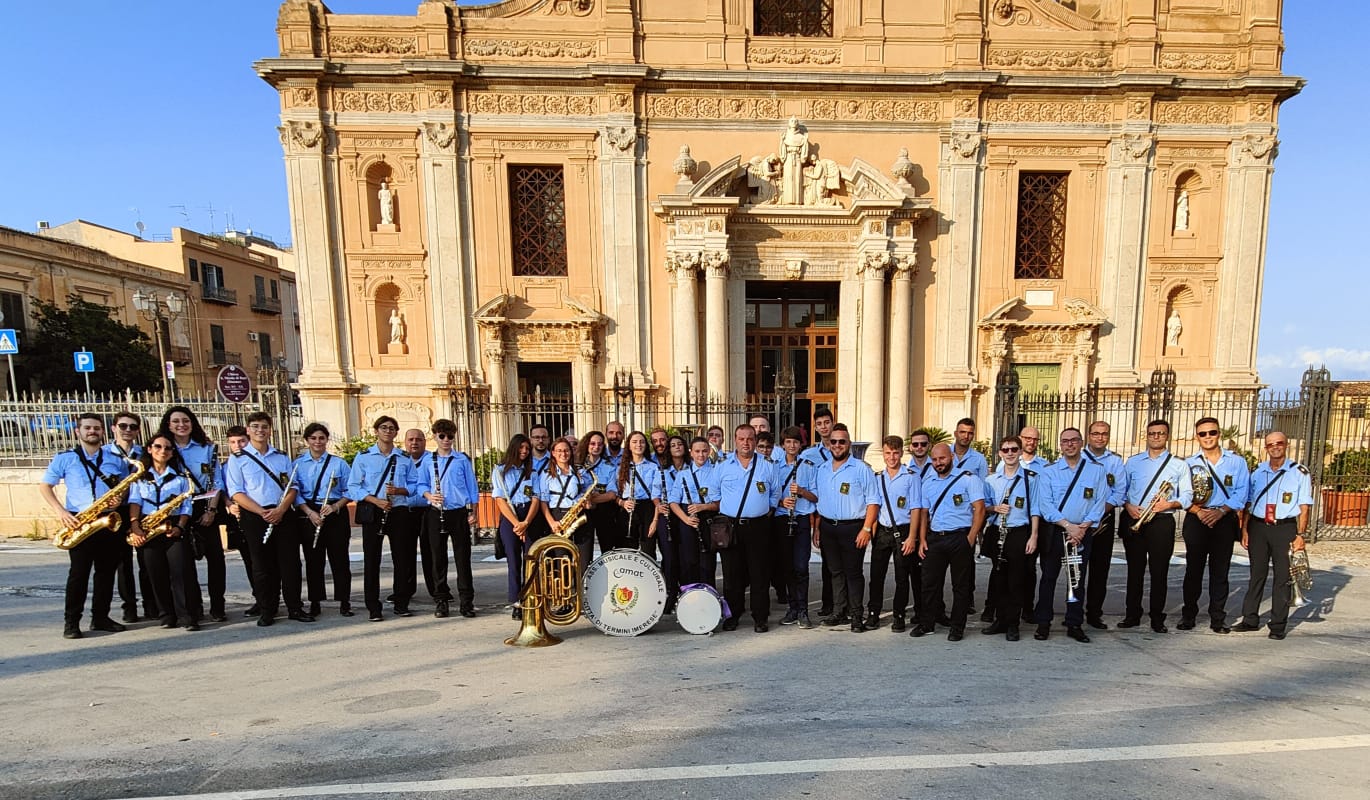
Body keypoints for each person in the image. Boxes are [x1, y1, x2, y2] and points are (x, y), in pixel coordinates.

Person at [40, 413, 132, 639]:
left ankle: (100, 617)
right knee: (79, 574)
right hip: (79, 519)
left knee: (106, 572)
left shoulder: (114, 459)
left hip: (107, 519)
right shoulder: (65, 458)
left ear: (103, 431)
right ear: (77, 431)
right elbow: (45, 487)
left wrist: (119, 499)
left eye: (97, 428)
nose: (92, 431)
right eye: (88, 428)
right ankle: (71, 622)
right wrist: (61, 512)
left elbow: (124, 487)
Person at [227, 412, 310, 627]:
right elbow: (236, 493)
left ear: (270, 429)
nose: (260, 430)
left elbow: (292, 486)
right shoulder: (238, 460)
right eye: (255, 426)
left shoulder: (281, 457)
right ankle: (267, 610)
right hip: (256, 516)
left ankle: (294, 607)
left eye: (264, 426)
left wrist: (281, 510)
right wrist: (262, 512)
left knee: (290, 564)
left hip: (283, 514)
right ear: (248, 430)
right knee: (262, 566)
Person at [1234, 431, 1312, 640]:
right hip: (1258, 528)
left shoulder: (1299, 472)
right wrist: (1244, 530)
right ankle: (1250, 619)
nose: (1275, 447)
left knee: (1283, 578)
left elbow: (1304, 507)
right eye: (1270, 444)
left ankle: (1277, 625)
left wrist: (1300, 535)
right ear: (1266, 448)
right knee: (1256, 575)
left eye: (1279, 443)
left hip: (1284, 528)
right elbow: (1248, 505)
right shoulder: (1258, 473)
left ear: (1286, 445)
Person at [701, 424, 778, 632]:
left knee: (759, 574)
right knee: (732, 574)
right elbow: (714, 493)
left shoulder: (767, 465)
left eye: (750, 439)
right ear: (735, 440)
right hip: (731, 526)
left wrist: (762, 511)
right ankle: (733, 615)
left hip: (758, 526)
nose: (746, 443)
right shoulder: (723, 466)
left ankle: (760, 618)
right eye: (742, 439)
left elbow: (775, 495)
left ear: (755, 440)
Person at [1120, 419, 1193, 633]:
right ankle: (1132, 614)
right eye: (1152, 433)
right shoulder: (1133, 462)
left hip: (1161, 520)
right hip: (1135, 516)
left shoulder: (1179, 464)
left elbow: (1187, 495)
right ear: (1147, 436)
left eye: (1161, 433)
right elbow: (1122, 490)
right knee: (1134, 570)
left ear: (1167, 436)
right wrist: (1128, 506)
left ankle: (1157, 618)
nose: (1156, 436)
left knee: (1159, 572)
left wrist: (1169, 504)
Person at [1036, 428, 1109, 643]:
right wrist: (1069, 526)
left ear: (1081, 443)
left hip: (1082, 533)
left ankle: (1074, 622)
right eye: (1065, 441)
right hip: (1056, 532)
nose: (1069, 444)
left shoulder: (1096, 471)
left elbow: (1099, 502)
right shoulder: (1049, 471)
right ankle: (1043, 622)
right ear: (1060, 445)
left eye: (1074, 440)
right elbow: (1045, 504)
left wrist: (1083, 528)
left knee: (1076, 580)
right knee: (1048, 578)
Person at [1180, 417, 1250, 634]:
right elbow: (1181, 494)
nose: (1208, 437)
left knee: (1220, 571)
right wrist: (1199, 511)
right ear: (1197, 437)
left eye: (1212, 432)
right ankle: (1188, 615)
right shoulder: (1189, 463)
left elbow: (1242, 492)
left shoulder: (1236, 462)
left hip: (1224, 518)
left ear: (1219, 434)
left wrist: (1221, 511)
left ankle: (1218, 618)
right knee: (1193, 570)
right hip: (1197, 518)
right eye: (1203, 434)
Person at [157, 406, 226, 623]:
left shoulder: (206, 448)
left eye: (185, 420)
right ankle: (192, 608)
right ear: (168, 425)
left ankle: (218, 606)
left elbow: (217, 481)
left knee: (216, 559)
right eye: (176, 421)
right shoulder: (164, 448)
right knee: (183, 562)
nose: (181, 425)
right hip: (176, 509)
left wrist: (212, 510)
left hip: (205, 505)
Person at [911, 443, 985, 641]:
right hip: (935, 539)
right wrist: (922, 540)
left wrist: (971, 538)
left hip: (959, 537)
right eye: (934, 460)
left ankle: (957, 627)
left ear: (951, 456)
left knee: (960, 586)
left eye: (942, 459)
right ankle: (927, 623)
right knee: (929, 584)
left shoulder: (968, 479)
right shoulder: (928, 483)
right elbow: (924, 514)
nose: (938, 463)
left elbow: (979, 509)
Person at [811, 424, 879, 633]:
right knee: (835, 572)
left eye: (842, 441)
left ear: (849, 444)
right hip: (829, 527)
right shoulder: (822, 470)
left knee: (853, 573)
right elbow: (819, 502)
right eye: (834, 441)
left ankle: (856, 615)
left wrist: (866, 529)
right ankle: (839, 611)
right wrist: (818, 528)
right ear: (829, 444)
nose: (838, 445)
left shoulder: (861, 469)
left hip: (853, 528)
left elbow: (873, 501)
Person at [126, 433, 197, 631]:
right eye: (158, 447)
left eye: (167, 448)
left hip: (173, 525)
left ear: (172, 452)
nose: (162, 451)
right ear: (149, 449)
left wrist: (179, 526)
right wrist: (135, 526)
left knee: (180, 573)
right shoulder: (139, 478)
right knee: (155, 573)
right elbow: (135, 502)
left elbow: (186, 506)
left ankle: (187, 616)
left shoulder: (181, 478)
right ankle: (166, 615)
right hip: (148, 526)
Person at [347, 416, 414, 622]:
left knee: (402, 559)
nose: (387, 431)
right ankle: (373, 606)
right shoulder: (364, 456)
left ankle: (401, 602)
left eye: (392, 428)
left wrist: (399, 490)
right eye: (383, 428)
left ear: (396, 433)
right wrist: (375, 501)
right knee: (372, 560)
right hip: (374, 510)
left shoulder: (404, 458)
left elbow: (415, 485)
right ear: (376, 431)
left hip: (398, 510)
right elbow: (353, 486)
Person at [417, 418, 479, 618]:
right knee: (438, 558)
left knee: (463, 558)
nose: (446, 440)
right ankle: (441, 600)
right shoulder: (428, 460)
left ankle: (466, 601)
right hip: (436, 512)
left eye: (450, 436)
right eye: (442, 436)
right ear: (435, 436)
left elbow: (472, 488)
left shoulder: (461, 459)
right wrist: (429, 496)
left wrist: (473, 511)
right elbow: (420, 485)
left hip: (458, 512)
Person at [980, 435, 1040, 641]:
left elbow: (1036, 510)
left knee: (1016, 579)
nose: (1010, 453)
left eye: (1014, 449)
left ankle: (1013, 623)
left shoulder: (1030, 479)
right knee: (999, 578)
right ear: (1000, 453)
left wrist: (1033, 536)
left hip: (1019, 532)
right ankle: (1000, 620)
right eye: (1005, 450)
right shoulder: (991, 480)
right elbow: (983, 507)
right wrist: (994, 507)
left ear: (1020, 451)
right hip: (998, 531)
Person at [293, 423, 353, 618]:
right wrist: (309, 512)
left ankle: (344, 601)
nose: (317, 442)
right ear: (307, 440)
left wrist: (336, 507)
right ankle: (315, 601)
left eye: (321, 438)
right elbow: (295, 492)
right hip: (309, 513)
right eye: (313, 438)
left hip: (334, 512)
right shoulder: (298, 464)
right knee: (313, 560)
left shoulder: (339, 463)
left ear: (327, 440)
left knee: (340, 559)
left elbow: (350, 490)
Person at [867, 435, 925, 633]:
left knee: (902, 576)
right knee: (876, 575)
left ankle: (899, 615)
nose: (892, 457)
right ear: (883, 454)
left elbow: (917, 508)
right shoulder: (878, 478)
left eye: (895, 453)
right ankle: (873, 613)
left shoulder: (911, 477)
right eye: (888, 453)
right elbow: (874, 507)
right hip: (882, 532)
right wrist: (871, 534)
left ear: (901, 453)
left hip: (904, 531)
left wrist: (912, 537)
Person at [107, 411, 152, 623]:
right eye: (123, 426)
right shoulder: (105, 453)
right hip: (116, 511)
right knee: (122, 562)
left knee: (146, 559)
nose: (127, 430)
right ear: (114, 427)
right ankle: (129, 607)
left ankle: (151, 604)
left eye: (132, 427)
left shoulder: (144, 453)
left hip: (141, 509)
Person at [1081, 420, 1125, 630]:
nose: (1100, 437)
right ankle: (1074, 612)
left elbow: (1119, 491)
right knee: (1076, 570)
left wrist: (1098, 513)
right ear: (1088, 435)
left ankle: (1094, 614)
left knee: (1100, 570)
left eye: (1104, 434)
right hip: (1078, 521)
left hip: (1104, 519)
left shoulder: (1115, 461)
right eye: (1096, 433)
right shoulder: (1077, 457)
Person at [491, 433, 540, 618]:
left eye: (527, 449)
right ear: (514, 448)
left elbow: (536, 498)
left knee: (530, 560)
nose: (525, 451)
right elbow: (500, 501)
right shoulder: (499, 471)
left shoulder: (532, 472)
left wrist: (526, 522)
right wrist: (517, 524)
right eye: (521, 448)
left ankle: (530, 598)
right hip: (510, 517)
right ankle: (517, 601)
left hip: (528, 515)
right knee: (514, 561)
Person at [772, 427, 817, 628]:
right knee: (787, 567)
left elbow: (816, 497)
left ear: (801, 445)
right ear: (783, 445)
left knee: (801, 567)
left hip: (801, 519)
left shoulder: (808, 466)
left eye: (796, 442)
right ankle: (792, 608)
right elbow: (770, 495)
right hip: (782, 519)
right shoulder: (774, 466)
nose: (792, 446)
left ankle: (803, 610)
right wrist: (782, 503)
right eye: (788, 442)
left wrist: (801, 491)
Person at [539, 436, 595, 577]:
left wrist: (588, 502)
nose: (563, 454)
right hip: (557, 517)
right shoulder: (546, 475)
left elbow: (587, 494)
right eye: (559, 451)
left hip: (578, 514)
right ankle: (563, 596)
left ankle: (581, 595)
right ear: (552, 452)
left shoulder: (580, 472)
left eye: (566, 450)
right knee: (561, 559)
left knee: (584, 559)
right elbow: (543, 501)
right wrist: (552, 522)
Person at [801, 407, 836, 615]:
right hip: (819, 512)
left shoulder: (843, 447)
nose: (824, 427)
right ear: (815, 427)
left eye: (827, 422)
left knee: (842, 564)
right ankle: (828, 604)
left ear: (832, 423)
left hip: (840, 510)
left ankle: (846, 603)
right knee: (827, 564)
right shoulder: (809, 455)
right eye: (819, 424)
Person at [670, 436, 717, 588]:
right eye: (697, 451)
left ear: (709, 451)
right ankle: (690, 596)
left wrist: (703, 507)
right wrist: (685, 519)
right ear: (691, 453)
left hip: (708, 517)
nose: (701, 455)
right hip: (688, 519)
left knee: (707, 560)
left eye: (704, 451)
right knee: (688, 560)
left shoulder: (716, 472)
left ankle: (708, 594)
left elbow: (720, 504)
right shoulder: (683, 473)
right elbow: (673, 502)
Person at [222, 425, 257, 614]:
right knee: (249, 560)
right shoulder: (226, 465)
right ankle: (258, 596)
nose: (238, 445)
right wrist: (229, 504)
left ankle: (269, 596)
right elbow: (222, 489)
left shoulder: (254, 459)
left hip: (255, 512)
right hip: (236, 517)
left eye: (242, 441)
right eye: (233, 442)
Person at [616, 431, 662, 559]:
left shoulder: (653, 467)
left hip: (647, 508)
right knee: (627, 550)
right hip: (627, 507)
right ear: (629, 446)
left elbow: (657, 496)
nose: (639, 445)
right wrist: (622, 503)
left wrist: (655, 520)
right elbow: (614, 494)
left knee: (648, 549)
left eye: (642, 442)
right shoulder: (620, 467)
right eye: (634, 442)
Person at [576, 431, 621, 556]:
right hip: (582, 511)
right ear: (586, 444)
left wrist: (591, 499)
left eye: (600, 444)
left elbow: (612, 494)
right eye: (593, 443)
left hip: (604, 512)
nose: (596, 447)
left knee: (608, 550)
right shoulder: (577, 466)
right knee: (584, 553)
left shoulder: (610, 467)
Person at [404, 428, 435, 600]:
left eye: (418, 439)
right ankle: (405, 590)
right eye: (411, 439)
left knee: (430, 551)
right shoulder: (399, 460)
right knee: (405, 552)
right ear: (405, 442)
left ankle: (436, 589)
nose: (414, 443)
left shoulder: (433, 460)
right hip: (406, 512)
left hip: (427, 511)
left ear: (424, 441)